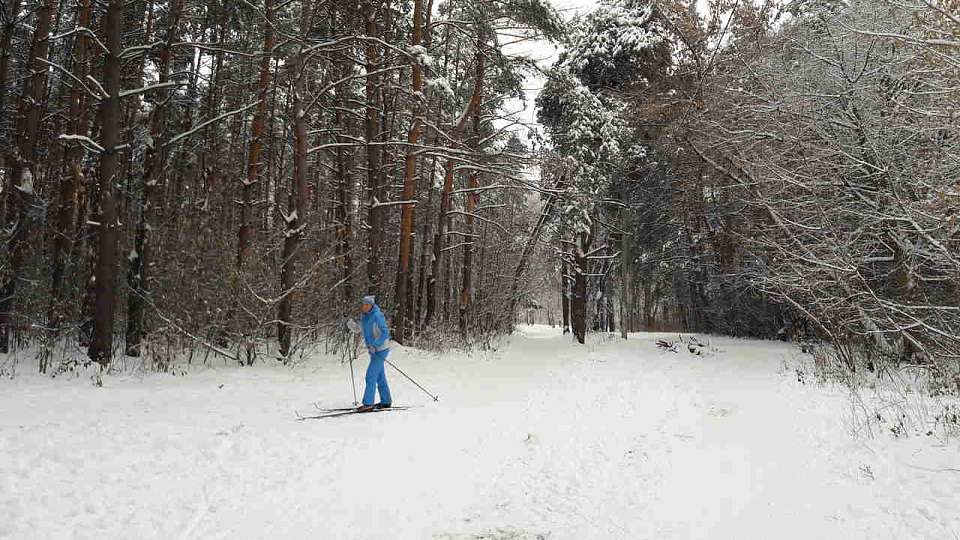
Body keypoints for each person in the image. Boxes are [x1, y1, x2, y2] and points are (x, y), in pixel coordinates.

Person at [357, 295, 392, 412]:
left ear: (372, 305)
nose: (364, 307)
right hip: (373, 350)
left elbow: (385, 333)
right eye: (363, 304)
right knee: (379, 376)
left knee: (371, 375)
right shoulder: (365, 317)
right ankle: (386, 401)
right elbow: (359, 328)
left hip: (381, 349)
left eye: (367, 305)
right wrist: (348, 323)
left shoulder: (377, 316)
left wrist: (375, 345)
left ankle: (368, 403)